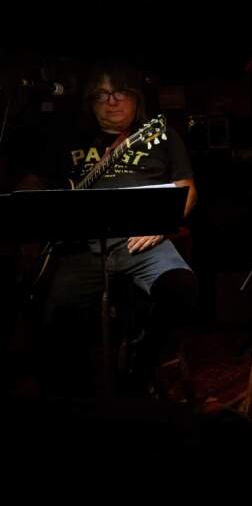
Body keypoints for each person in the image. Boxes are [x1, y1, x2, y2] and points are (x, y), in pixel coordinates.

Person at [24, 62, 198, 398]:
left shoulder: (158, 135)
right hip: (81, 249)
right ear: (90, 102)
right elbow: (34, 186)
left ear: (136, 98)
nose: (111, 101)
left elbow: (187, 189)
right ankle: (70, 398)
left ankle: (140, 366)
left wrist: (163, 225)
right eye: (101, 95)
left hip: (143, 242)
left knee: (180, 287)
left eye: (119, 93)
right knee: (54, 317)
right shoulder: (69, 139)